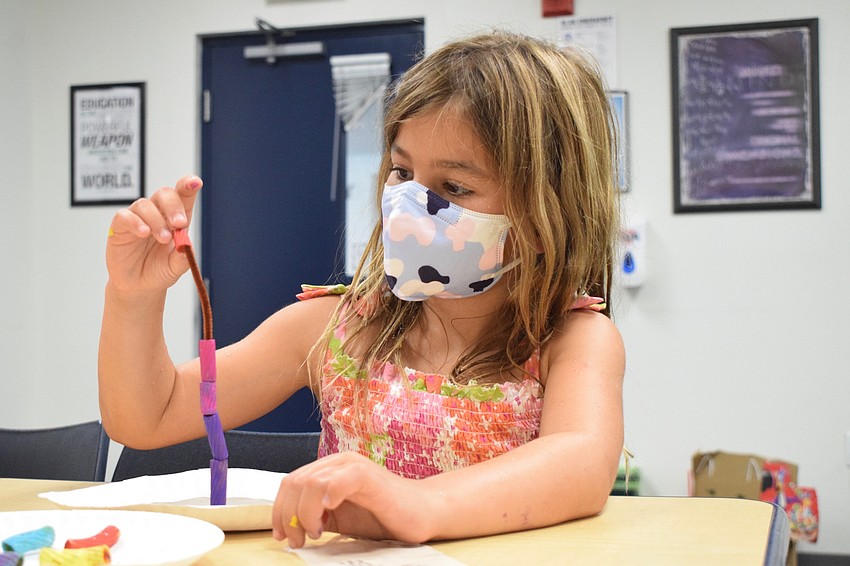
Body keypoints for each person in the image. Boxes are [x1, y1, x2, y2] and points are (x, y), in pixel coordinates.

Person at [99, 30, 625, 549]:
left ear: (547, 211)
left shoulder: (572, 340)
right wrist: (132, 296)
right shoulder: (337, 327)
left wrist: (415, 504)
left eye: (454, 187)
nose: (411, 204)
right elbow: (149, 416)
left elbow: (580, 460)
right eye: (402, 171)